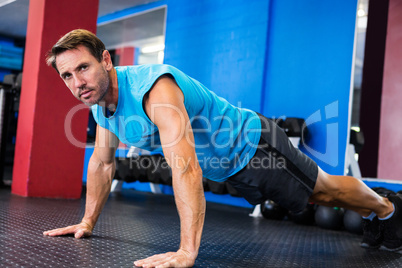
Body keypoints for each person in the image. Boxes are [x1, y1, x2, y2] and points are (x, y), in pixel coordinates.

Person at [43, 29, 402, 267]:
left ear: (106, 60)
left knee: (324, 192)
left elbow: (185, 167)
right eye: (67, 76)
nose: (78, 82)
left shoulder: (155, 90)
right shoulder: (100, 104)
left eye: (83, 68)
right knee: (317, 196)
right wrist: (87, 221)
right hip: (229, 167)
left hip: (254, 147)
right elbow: (103, 164)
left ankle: (387, 210)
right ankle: (377, 212)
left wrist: (187, 251)